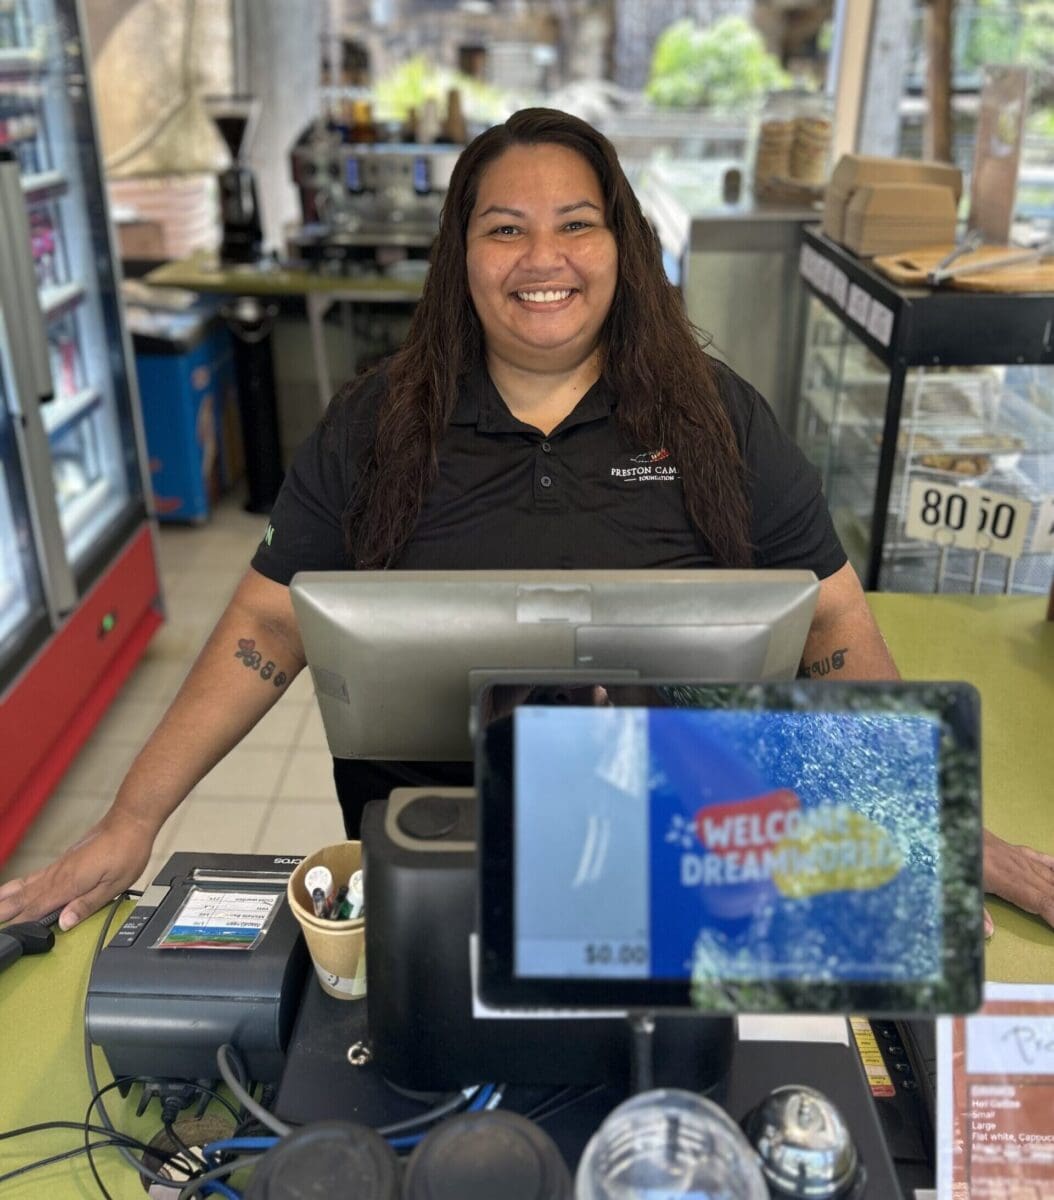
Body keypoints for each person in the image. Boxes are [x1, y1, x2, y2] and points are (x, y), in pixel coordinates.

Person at [0, 108, 1048, 936]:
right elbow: (266, 631)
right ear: (461, 254)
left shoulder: (719, 417)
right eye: (504, 228)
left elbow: (831, 630)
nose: (540, 258)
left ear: (622, 245)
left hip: (680, 859)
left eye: (574, 225)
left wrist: (943, 823)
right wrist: (130, 821)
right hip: (424, 865)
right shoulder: (376, 424)